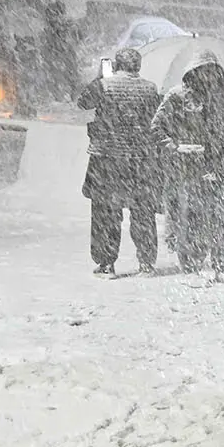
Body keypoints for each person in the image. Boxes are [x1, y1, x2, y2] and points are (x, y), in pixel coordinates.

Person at [153, 52, 224, 279]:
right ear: (193, 72)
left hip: (221, 168)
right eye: (202, 70)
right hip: (189, 170)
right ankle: (191, 266)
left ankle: (223, 265)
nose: (207, 76)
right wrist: (175, 148)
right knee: (192, 218)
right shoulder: (177, 97)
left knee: (223, 217)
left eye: (211, 70)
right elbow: (157, 128)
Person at [75, 47, 162, 276]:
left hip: (107, 158)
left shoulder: (104, 85)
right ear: (138, 66)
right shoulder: (150, 89)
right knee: (143, 211)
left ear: (117, 64)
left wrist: (99, 77)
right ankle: (146, 261)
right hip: (141, 159)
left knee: (106, 212)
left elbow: (83, 102)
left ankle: (106, 263)